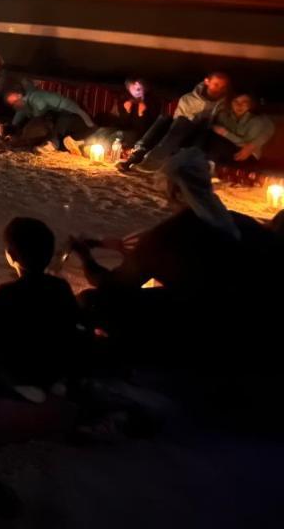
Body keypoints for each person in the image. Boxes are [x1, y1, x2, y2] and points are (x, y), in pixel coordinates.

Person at [70, 148, 259, 361]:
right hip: (242, 319)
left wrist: (85, 254)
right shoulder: (238, 221)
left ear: (176, 191)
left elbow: (113, 286)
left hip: (196, 329)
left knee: (91, 301)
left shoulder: (169, 236)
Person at [0, 218, 84, 397]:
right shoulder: (60, 287)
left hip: (17, 372)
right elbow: (72, 322)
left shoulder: (7, 293)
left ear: (11, 255)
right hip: (54, 366)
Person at [119, 72, 230, 173]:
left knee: (185, 123)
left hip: (202, 136)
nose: (218, 89)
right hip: (180, 133)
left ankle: (152, 162)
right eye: (216, 85)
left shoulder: (224, 103)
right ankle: (134, 158)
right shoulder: (188, 99)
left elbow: (221, 124)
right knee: (165, 119)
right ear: (207, 82)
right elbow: (177, 123)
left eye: (222, 87)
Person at [0, 88, 95, 153]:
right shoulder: (24, 107)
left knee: (50, 121)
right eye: (13, 104)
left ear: (20, 95)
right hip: (64, 120)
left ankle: (52, 144)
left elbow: (40, 113)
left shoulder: (35, 97)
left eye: (15, 101)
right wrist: (8, 129)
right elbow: (18, 118)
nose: (15, 104)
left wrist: (27, 130)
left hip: (73, 115)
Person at [206, 92, 276, 165]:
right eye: (235, 101)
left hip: (247, 154)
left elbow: (245, 145)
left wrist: (225, 133)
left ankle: (209, 164)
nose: (239, 105)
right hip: (226, 150)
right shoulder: (225, 116)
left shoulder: (256, 121)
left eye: (244, 102)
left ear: (250, 104)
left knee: (218, 143)